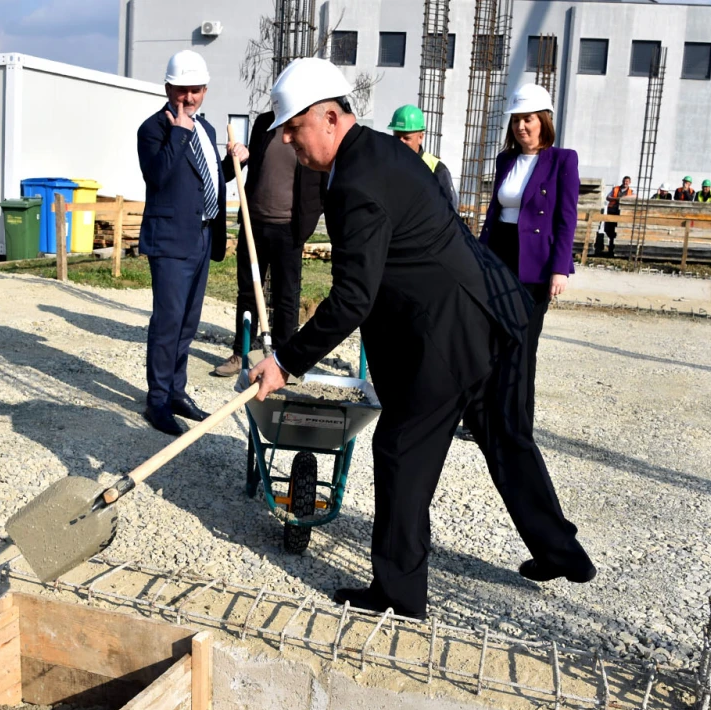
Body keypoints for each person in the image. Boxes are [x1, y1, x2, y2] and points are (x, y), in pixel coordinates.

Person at [248, 60, 596, 619]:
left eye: (294, 128)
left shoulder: (356, 182)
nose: (287, 140)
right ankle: (564, 554)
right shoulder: (380, 153)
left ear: (331, 118)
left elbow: (353, 298)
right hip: (491, 310)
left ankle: (398, 593)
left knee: (401, 449)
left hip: (451, 331)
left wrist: (285, 361)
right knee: (505, 438)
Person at [137, 50, 249, 436]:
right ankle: (157, 400)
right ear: (168, 88)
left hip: (202, 235)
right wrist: (179, 132)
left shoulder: (207, 129)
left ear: (205, 90)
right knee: (168, 321)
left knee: (188, 321)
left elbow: (206, 179)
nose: (189, 97)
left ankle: (176, 391)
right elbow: (159, 177)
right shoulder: (153, 129)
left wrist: (236, 163)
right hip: (171, 240)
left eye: (196, 90)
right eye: (182, 89)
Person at [479, 83, 579, 428]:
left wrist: (560, 268)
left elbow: (567, 219)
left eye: (528, 119)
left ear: (544, 121)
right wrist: (479, 257)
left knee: (522, 343)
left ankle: (518, 424)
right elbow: (494, 213)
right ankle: (487, 418)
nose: (521, 126)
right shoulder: (505, 159)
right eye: (516, 120)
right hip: (499, 255)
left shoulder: (562, 160)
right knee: (493, 338)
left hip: (535, 263)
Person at [212, 109, 327, 378]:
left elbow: (322, 182)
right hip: (253, 225)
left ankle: (284, 362)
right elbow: (243, 165)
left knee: (286, 296)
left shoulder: (311, 126)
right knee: (248, 292)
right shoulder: (265, 122)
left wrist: (308, 222)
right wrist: (241, 155)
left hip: (289, 230)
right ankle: (241, 352)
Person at [386, 104, 459, 210]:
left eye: (406, 138)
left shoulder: (436, 169)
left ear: (420, 137)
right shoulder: (385, 163)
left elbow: (450, 210)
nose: (400, 142)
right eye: (397, 137)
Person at [603, 175, 632, 256]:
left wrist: (624, 198)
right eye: (624, 181)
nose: (625, 183)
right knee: (609, 229)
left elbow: (634, 197)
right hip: (612, 211)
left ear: (629, 182)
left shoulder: (631, 191)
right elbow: (608, 197)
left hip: (622, 213)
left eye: (627, 181)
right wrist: (617, 199)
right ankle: (611, 248)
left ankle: (614, 249)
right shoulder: (615, 189)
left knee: (618, 231)